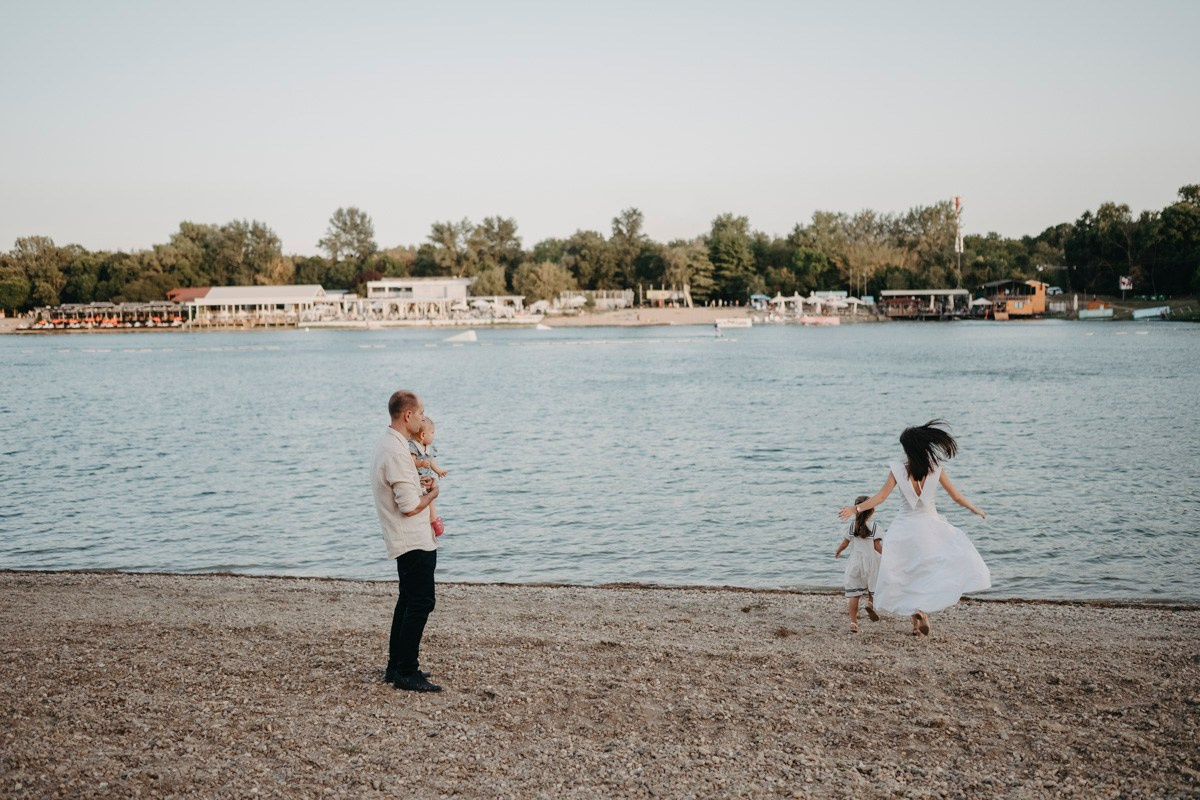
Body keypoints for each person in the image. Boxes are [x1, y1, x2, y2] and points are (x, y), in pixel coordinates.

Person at [838, 420, 989, 637]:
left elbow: (880, 498)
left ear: (908, 449)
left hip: (904, 529)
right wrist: (975, 509)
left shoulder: (898, 471)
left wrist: (855, 509)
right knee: (927, 572)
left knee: (906, 574)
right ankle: (920, 613)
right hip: (930, 528)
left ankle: (916, 618)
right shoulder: (936, 469)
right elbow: (956, 497)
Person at [371, 390, 442, 692]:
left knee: (408, 600)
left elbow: (404, 489)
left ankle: (395, 666)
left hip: (408, 537)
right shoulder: (398, 452)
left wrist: (419, 483)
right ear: (408, 415)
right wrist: (432, 494)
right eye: (422, 413)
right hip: (412, 539)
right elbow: (409, 506)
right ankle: (406, 671)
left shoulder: (392, 444)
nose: (425, 417)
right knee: (421, 602)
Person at [834, 495, 882, 633]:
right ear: (872, 511)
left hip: (856, 563)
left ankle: (854, 623)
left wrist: (838, 551)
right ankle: (870, 604)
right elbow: (877, 547)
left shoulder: (851, 526)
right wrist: (888, 556)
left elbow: (844, 543)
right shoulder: (875, 527)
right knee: (873, 587)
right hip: (872, 562)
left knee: (854, 594)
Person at [409, 417, 448, 537]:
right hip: (418, 479)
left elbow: (431, 462)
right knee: (427, 500)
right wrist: (420, 463)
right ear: (423, 435)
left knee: (430, 500)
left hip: (427, 478)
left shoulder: (429, 449)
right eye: (432, 433)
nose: (434, 435)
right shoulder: (413, 446)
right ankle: (433, 521)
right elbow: (411, 461)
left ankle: (433, 520)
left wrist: (438, 471)